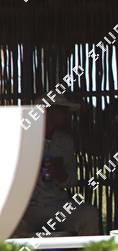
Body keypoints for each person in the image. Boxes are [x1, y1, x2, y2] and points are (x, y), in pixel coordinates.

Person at [15, 92, 100, 237]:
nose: (66, 115)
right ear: (47, 112)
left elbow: (72, 181)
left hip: (57, 206)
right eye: (62, 110)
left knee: (88, 214)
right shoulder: (21, 138)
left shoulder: (65, 142)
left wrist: (60, 174)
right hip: (26, 208)